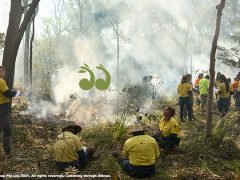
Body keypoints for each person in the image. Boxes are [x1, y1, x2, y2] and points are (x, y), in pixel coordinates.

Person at [0, 66, 21, 158]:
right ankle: (8, 154)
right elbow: (7, 93)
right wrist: (17, 93)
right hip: (2, 109)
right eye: (2, 71)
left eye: (4, 71)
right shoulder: (1, 81)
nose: (4, 73)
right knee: (7, 130)